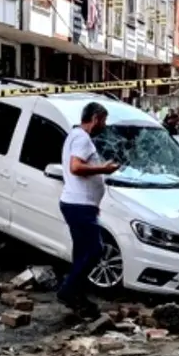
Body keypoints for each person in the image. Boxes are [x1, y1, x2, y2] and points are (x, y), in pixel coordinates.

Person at [57, 102, 120, 318]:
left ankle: (78, 296)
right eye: (103, 120)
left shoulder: (76, 136)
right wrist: (105, 168)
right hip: (78, 205)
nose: (104, 125)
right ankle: (68, 290)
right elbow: (76, 167)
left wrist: (94, 204)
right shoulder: (82, 138)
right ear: (95, 118)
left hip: (81, 204)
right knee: (95, 251)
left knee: (82, 252)